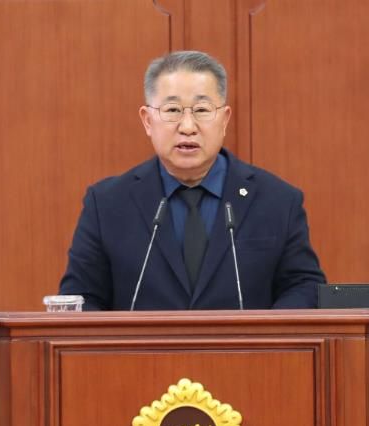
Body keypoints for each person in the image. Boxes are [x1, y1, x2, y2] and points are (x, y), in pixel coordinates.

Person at [59, 51, 326, 310]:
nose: (188, 126)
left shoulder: (278, 201)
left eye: (201, 109)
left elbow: (304, 286)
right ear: (148, 120)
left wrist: (269, 335)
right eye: (173, 109)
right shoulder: (107, 204)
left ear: (224, 119)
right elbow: (80, 298)